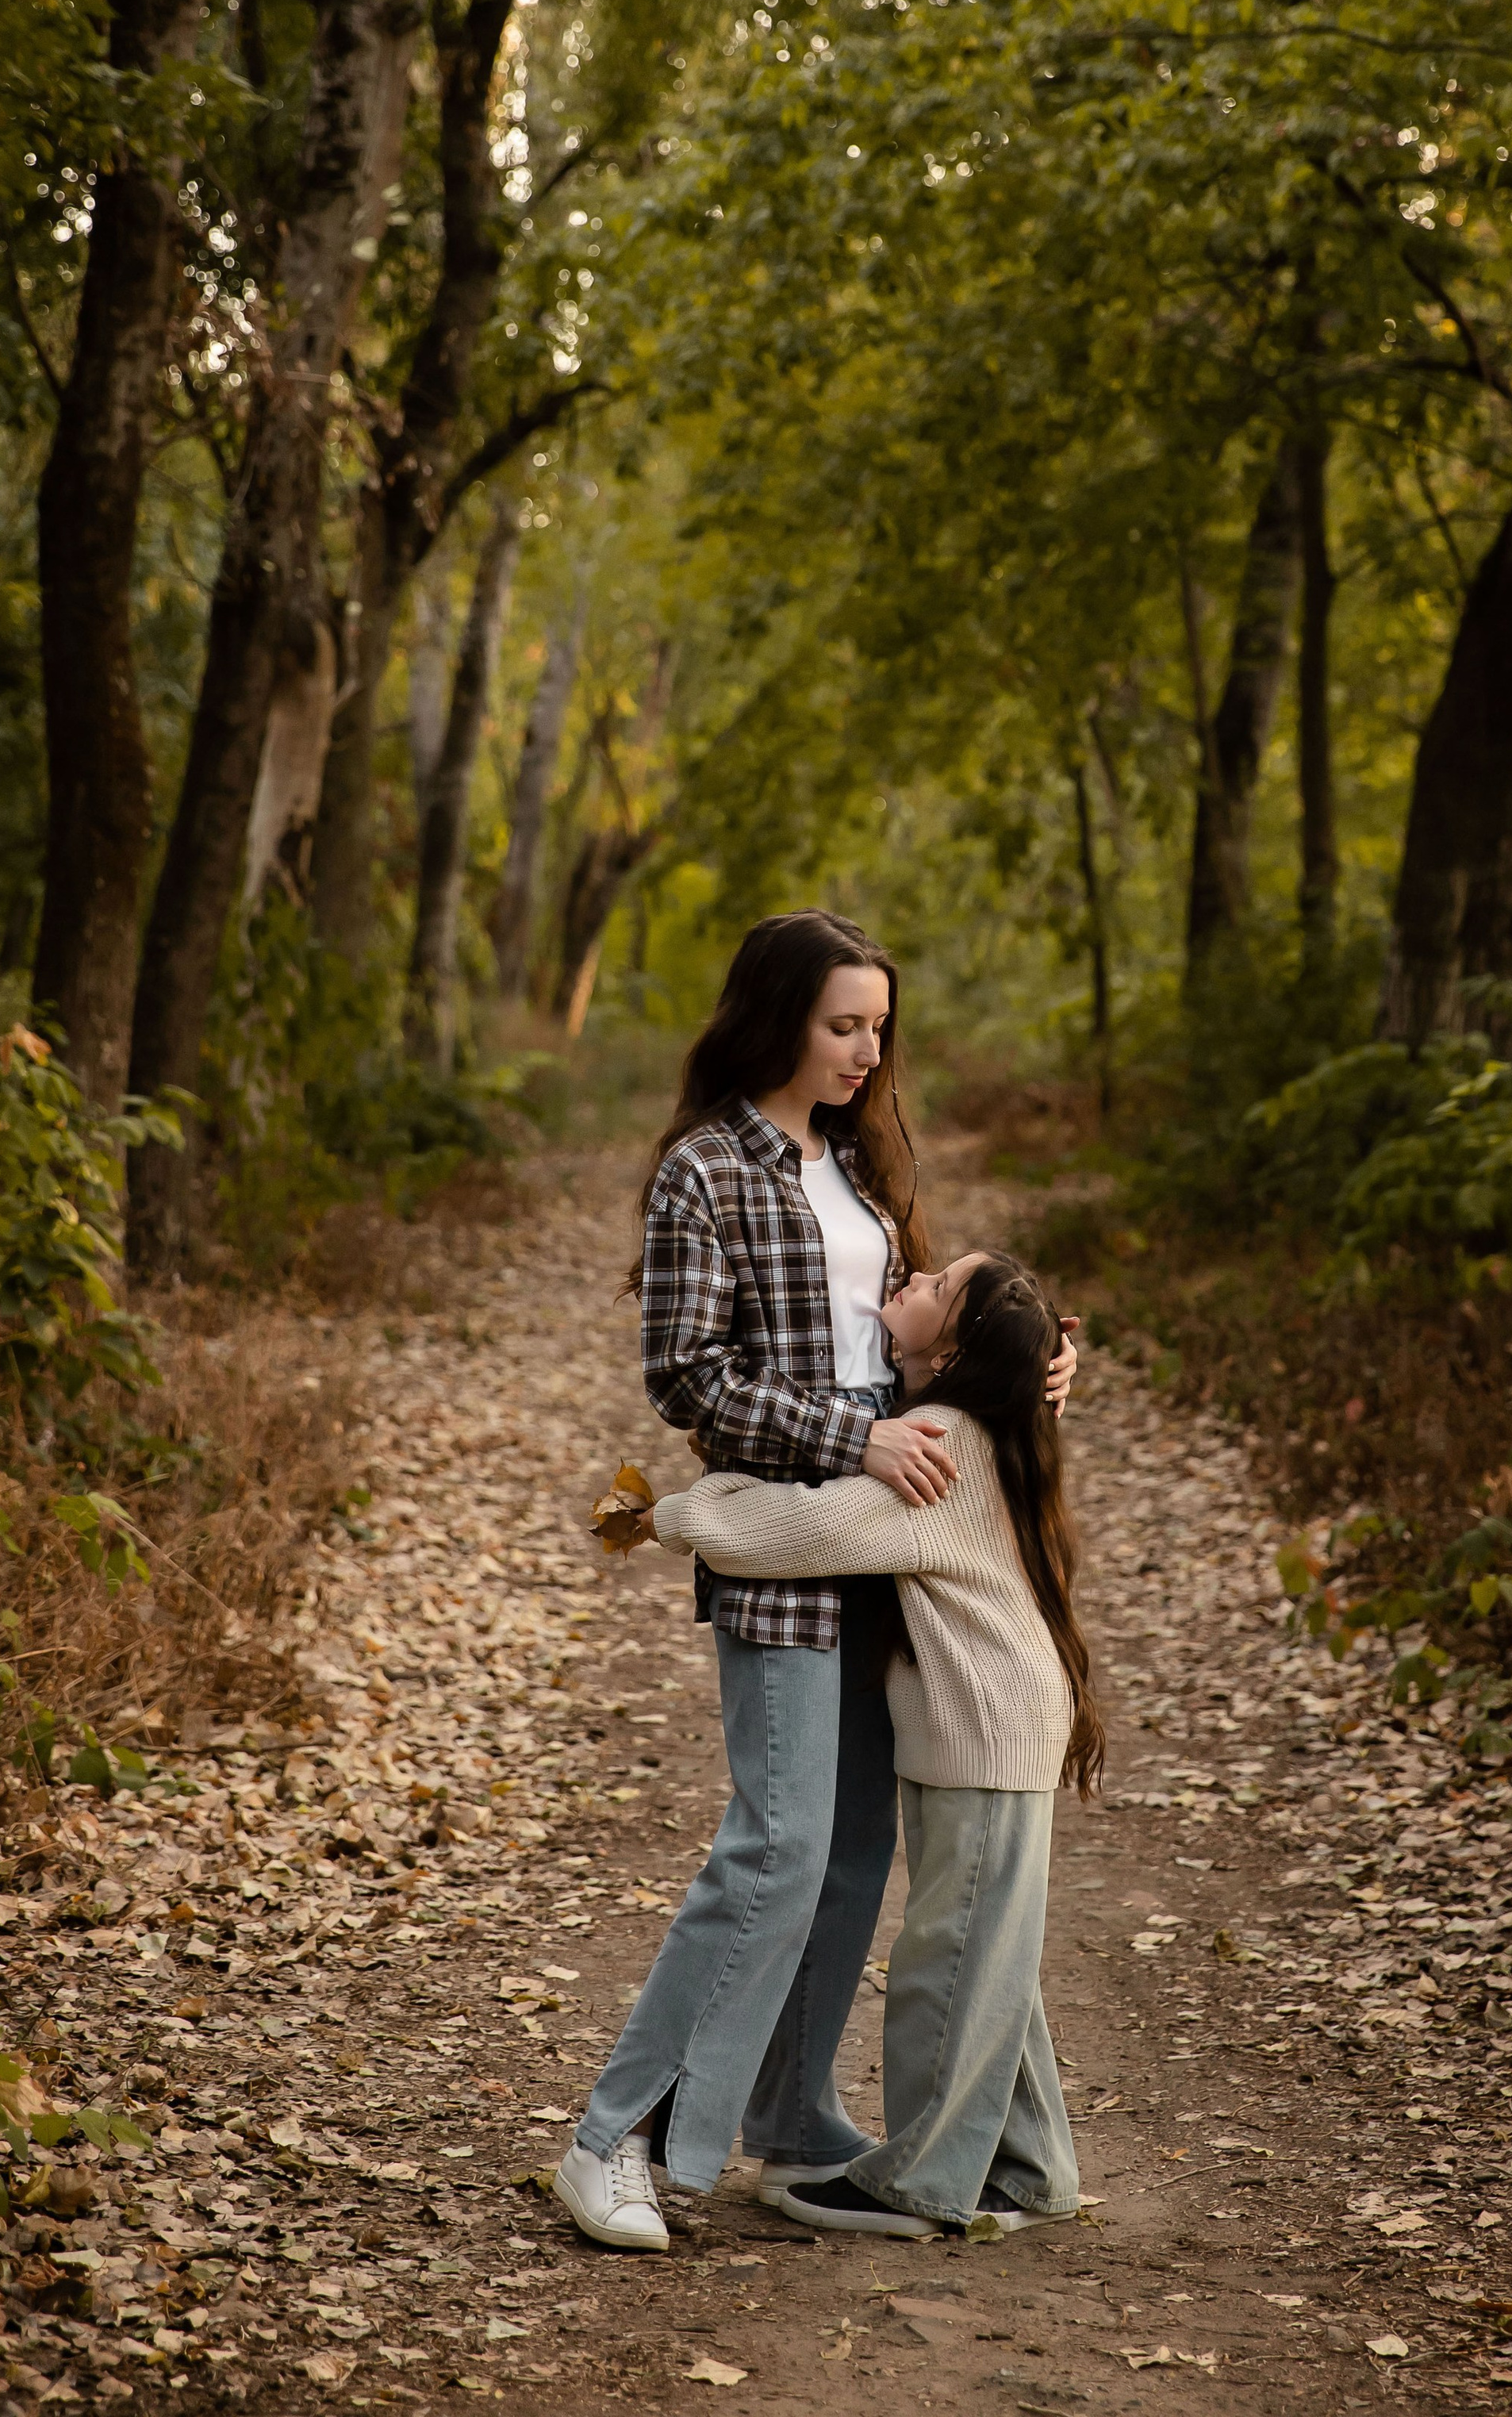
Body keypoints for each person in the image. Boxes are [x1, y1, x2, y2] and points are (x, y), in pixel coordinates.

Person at [553, 911, 1076, 2252]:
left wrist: (1051, 1359)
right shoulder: (704, 1169)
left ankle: (789, 2110)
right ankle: (613, 2138)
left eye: (879, 1027)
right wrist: (851, 1434)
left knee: (849, 1855)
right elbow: (685, 1375)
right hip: (796, 1541)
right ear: (777, 1014)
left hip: (883, 1567)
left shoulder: (856, 1159)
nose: (865, 1050)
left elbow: (931, 1311)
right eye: (844, 1023)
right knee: (777, 1849)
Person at [646, 1249, 1101, 2238]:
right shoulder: (977, 1423)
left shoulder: (935, 1441)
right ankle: (1031, 2169)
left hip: (984, 1726)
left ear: (950, 1345)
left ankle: (927, 2180)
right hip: (1000, 1719)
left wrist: (677, 1513)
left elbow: (799, 1532)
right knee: (993, 1959)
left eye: (935, 1287)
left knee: (950, 1957)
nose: (912, 1276)